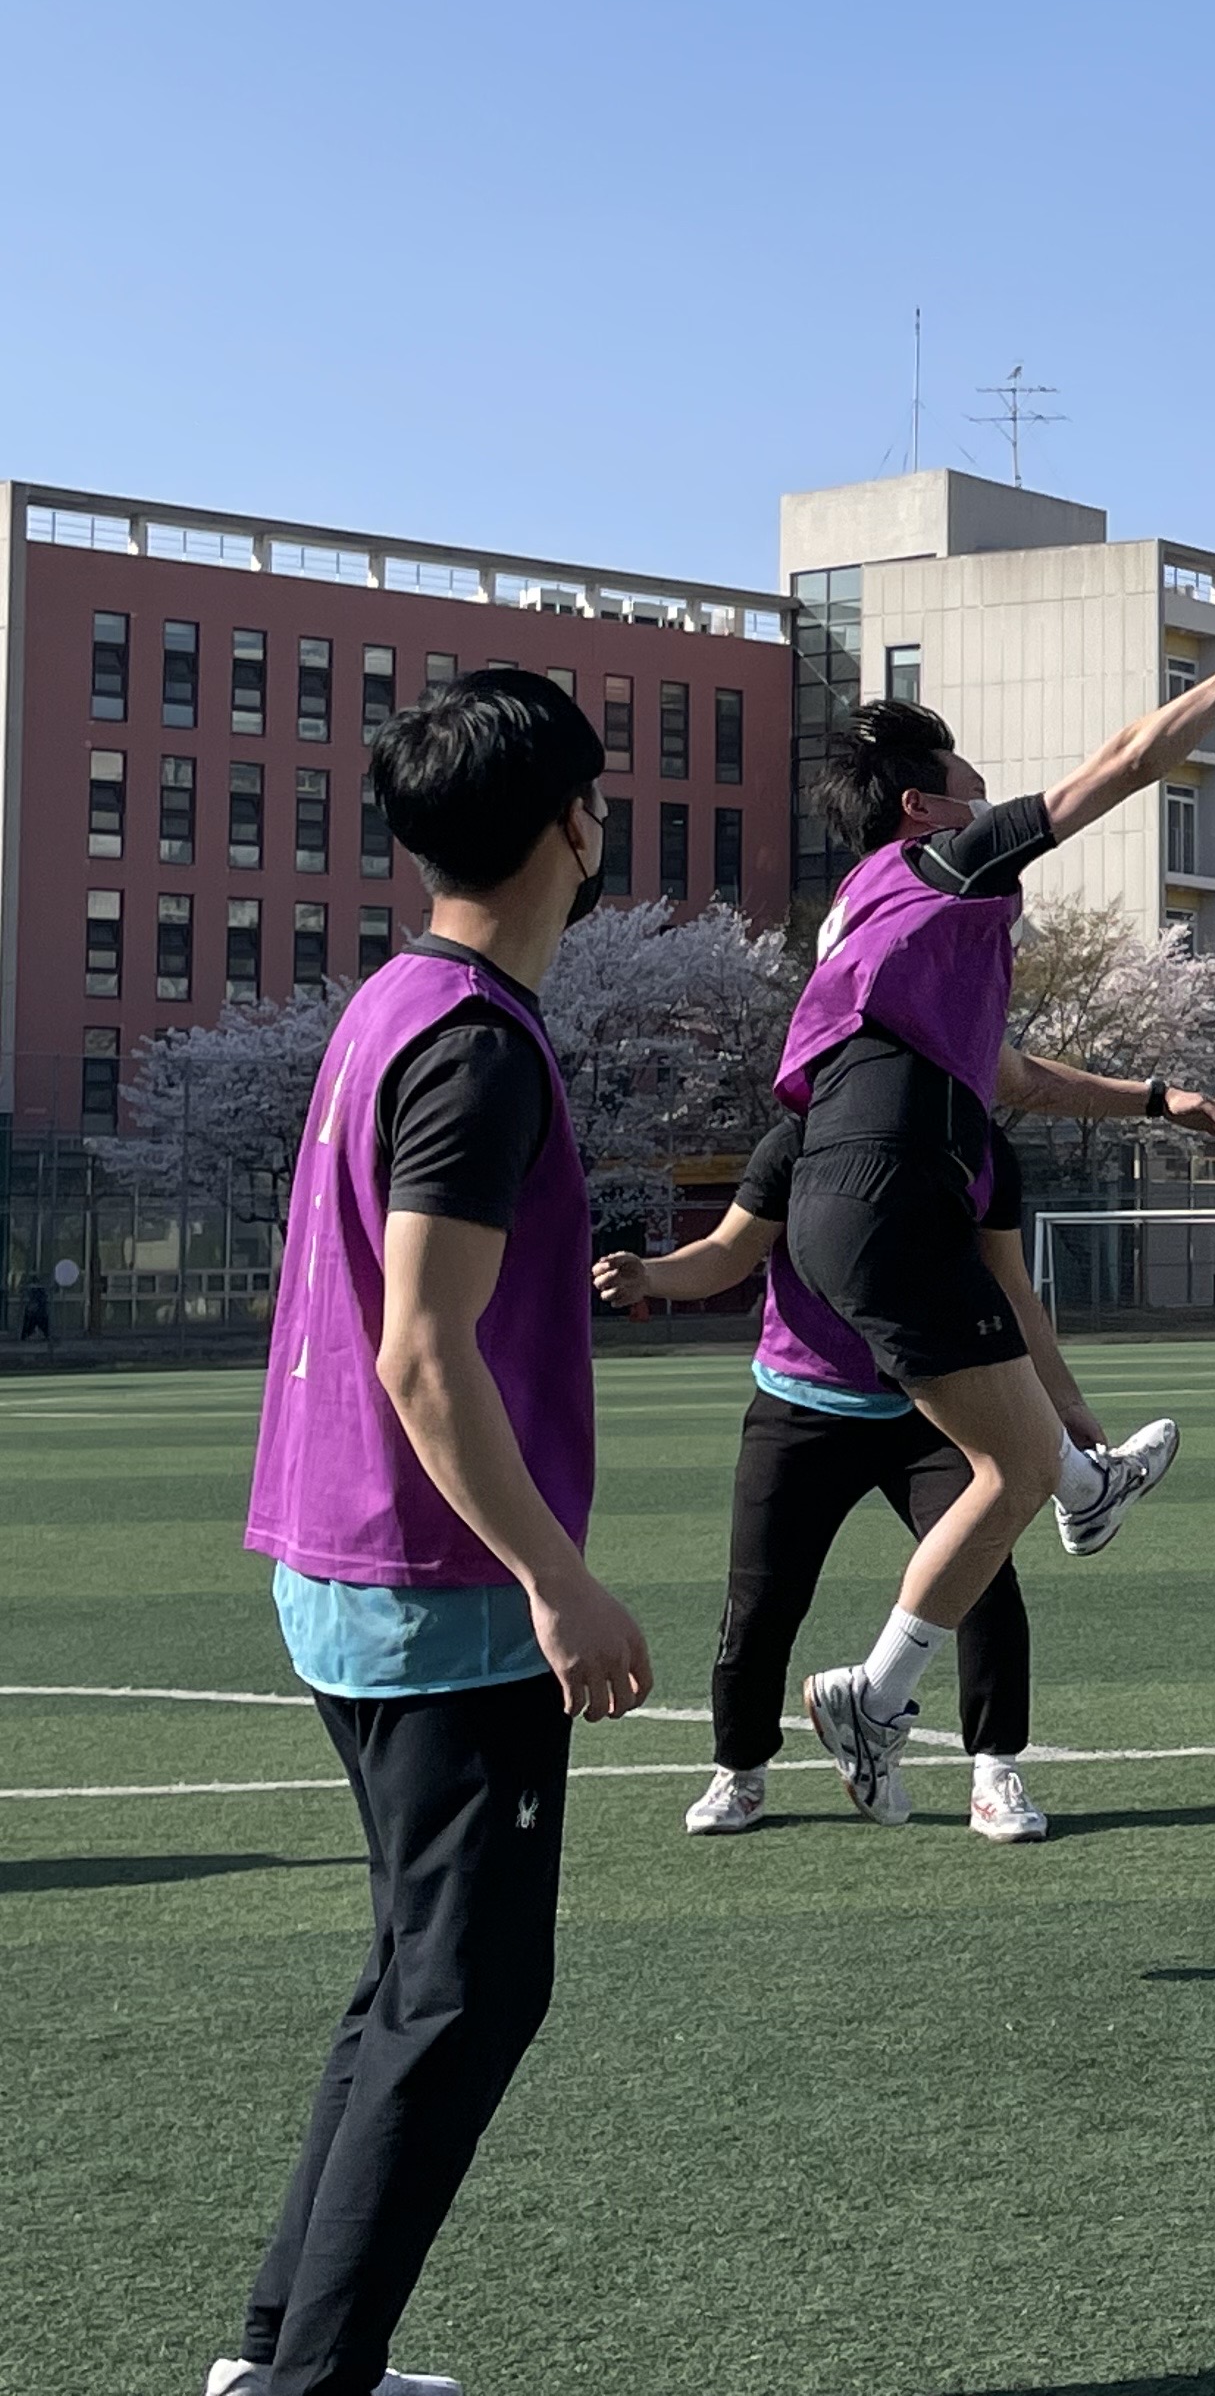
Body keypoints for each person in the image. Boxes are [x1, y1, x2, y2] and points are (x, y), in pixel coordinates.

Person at [222, 673, 653, 2396]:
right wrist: (560, 1579)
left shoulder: (396, 1002)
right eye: (596, 799)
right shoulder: (474, 1043)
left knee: (416, 1976)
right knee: (466, 1992)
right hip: (439, 1593)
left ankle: (286, 2353)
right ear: (569, 826)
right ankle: (309, 2379)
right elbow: (422, 1346)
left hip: (352, 1569)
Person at [781, 634, 1215, 1815]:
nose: (991, 795)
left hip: (845, 1193)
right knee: (1016, 1468)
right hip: (890, 1189)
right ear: (924, 804)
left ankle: (1078, 1498)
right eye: (971, 781)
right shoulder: (945, 859)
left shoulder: (865, 910)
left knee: (1022, 1465)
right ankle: (876, 1690)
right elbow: (1128, 761)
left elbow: (1007, 1074)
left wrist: (1156, 1097)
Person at [597, 1115, 1110, 1841]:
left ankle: (995, 1771)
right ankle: (740, 1769)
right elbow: (727, 1252)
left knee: (986, 1579)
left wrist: (1066, 1403)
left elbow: (1012, 1288)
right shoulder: (799, 1141)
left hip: (935, 1405)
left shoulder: (979, 1145)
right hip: (800, 1405)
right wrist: (651, 1275)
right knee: (760, 1599)